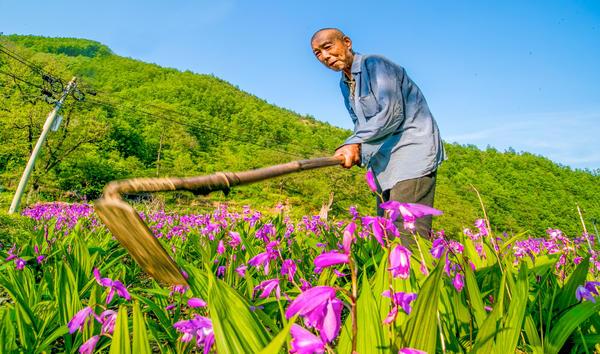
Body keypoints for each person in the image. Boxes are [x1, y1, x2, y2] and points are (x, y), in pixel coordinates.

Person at [310, 28, 445, 239]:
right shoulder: (345, 84)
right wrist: (357, 150)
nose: (325, 56)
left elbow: (392, 112)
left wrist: (355, 143)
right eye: (318, 53)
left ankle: (420, 273)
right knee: (388, 235)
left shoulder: (375, 64)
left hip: (411, 154)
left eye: (328, 47)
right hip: (385, 163)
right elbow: (359, 124)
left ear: (347, 42)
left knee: (408, 233)